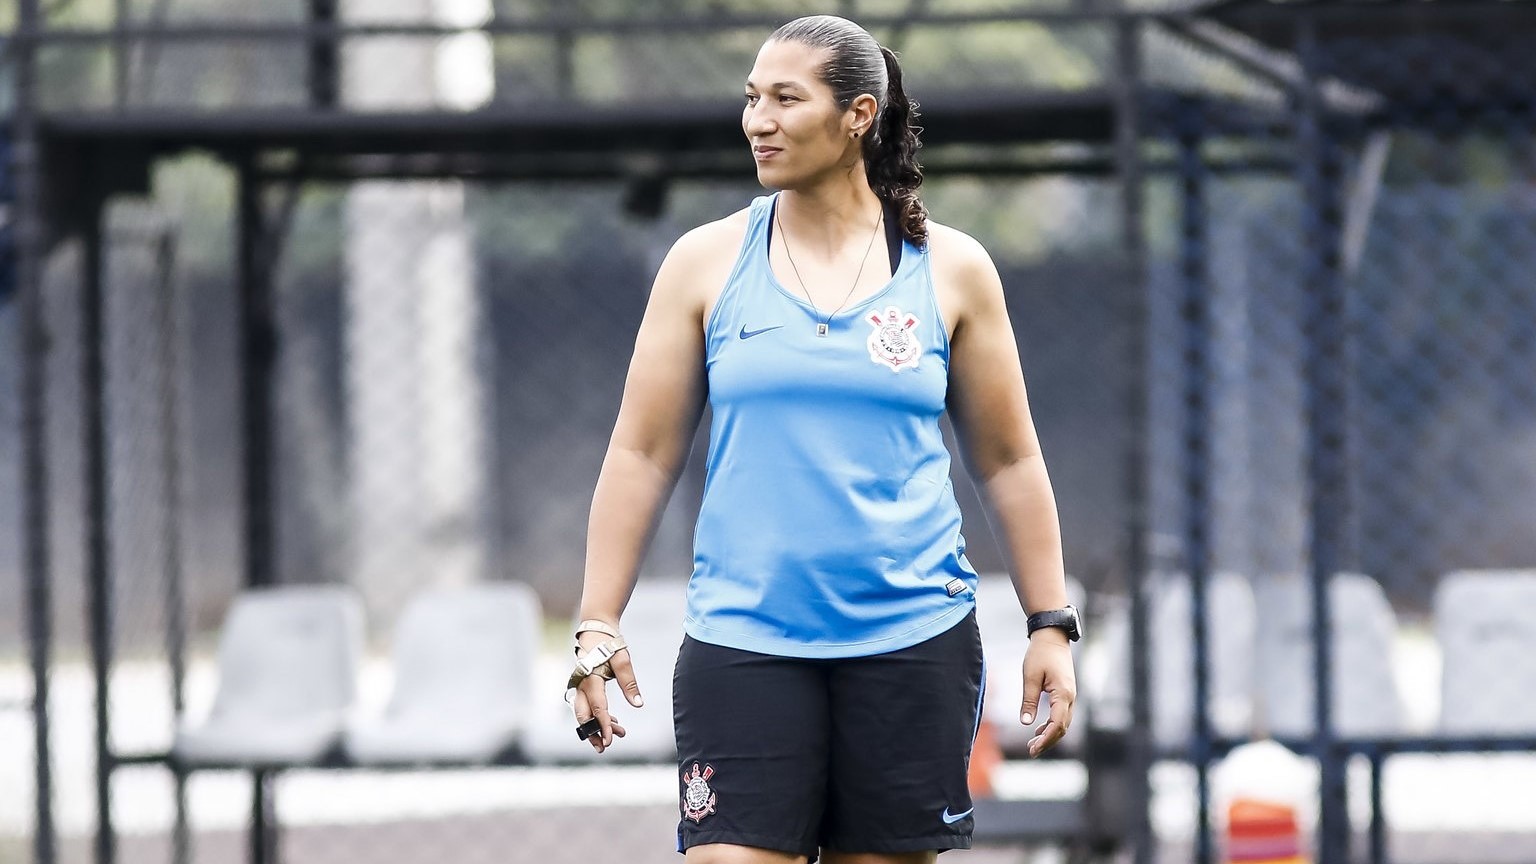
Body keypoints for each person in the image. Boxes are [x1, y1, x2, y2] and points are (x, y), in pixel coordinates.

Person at [568, 14, 1079, 864]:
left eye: (785, 99)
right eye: (751, 99)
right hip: (743, 642)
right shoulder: (703, 263)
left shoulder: (952, 269)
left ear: (858, 116)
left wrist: (1049, 624)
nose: (757, 121)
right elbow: (641, 454)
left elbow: (1009, 460)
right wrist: (597, 622)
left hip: (913, 644)